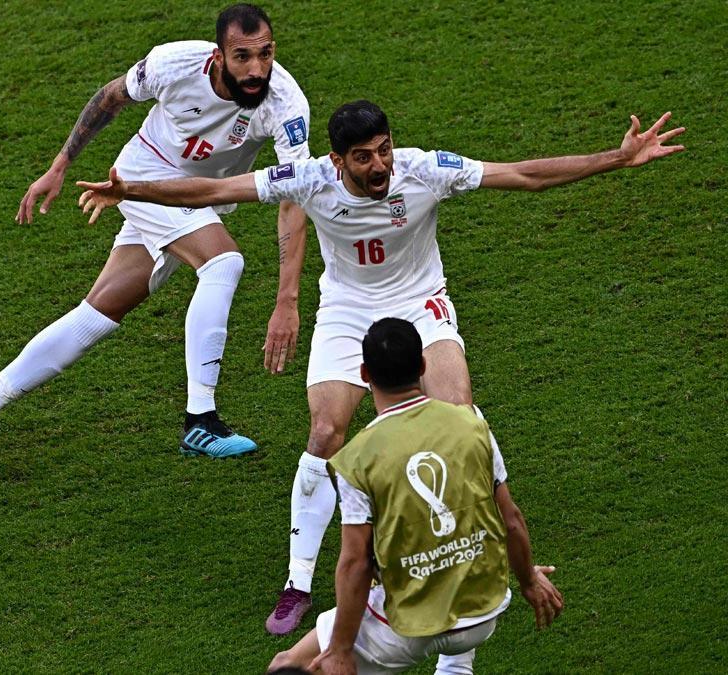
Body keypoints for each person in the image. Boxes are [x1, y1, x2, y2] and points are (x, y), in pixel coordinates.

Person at [75, 99, 684, 633]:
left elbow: (521, 174)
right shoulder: (308, 178)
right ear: (338, 161)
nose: (379, 166)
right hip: (346, 311)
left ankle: (488, 550)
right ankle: (297, 581)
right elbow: (211, 191)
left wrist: (616, 157)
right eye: (364, 157)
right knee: (324, 433)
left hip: (420, 305)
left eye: (383, 150)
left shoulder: (423, 170)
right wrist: (134, 190)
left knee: (458, 421)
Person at [0, 3, 313, 480]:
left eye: (264, 55)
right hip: (140, 179)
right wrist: (60, 165)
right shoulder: (174, 64)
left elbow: (292, 196)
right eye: (242, 57)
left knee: (98, 313)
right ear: (217, 56)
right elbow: (110, 97)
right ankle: (200, 420)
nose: (256, 70)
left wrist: (288, 299)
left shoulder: (285, 105)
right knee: (223, 263)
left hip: (197, 198)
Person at [266, 317, 564, 674]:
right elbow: (511, 519)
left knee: (287, 665)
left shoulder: (358, 458)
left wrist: (341, 649)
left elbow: (355, 563)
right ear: (423, 366)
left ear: (364, 373)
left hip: (405, 627)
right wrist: (529, 580)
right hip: (481, 613)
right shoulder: (472, 425)